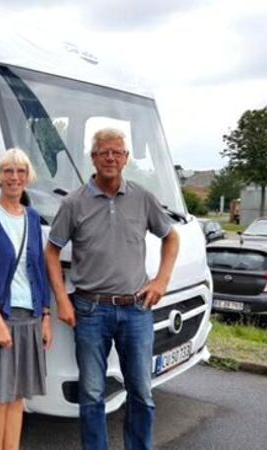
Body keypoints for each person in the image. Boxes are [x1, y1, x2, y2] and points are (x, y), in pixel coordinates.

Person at [45, 128, 179, 450]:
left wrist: (161, 281)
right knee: (92, 393)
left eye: (117, 152)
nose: (110, 158)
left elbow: (171, 237)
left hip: (136, 310)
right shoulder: (74, 203)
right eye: (104, 152)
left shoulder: (142, 198)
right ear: (93, 158)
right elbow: (51, 251)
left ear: (126, 158)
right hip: (90, 310)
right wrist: (62, 300)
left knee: (141, 393)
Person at [0, 148, 53, 450]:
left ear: (28, 177)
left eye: (20, 171)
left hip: (30, 319)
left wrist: (45, 316)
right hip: (2, 317)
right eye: (8, 171)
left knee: (17, 399)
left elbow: (39, 270)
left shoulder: (32, 217)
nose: (14, 177)